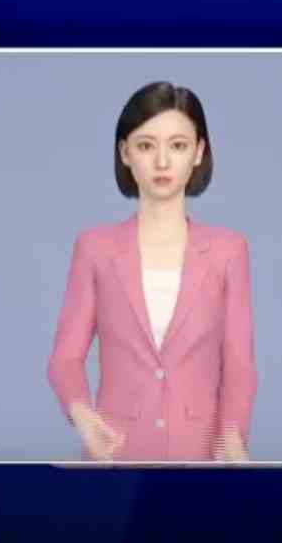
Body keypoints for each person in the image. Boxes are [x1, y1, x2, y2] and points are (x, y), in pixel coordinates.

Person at [44, 81, 257, 465]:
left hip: (202, 454)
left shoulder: (229, 250)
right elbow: (65, 358)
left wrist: (232, 436)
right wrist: (82, 415)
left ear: (199, 152)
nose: (162, 162)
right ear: (125, 153)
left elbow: (239, 363)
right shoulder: (94, 248)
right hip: (114, 452)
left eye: (177, 145)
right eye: (146, 145)